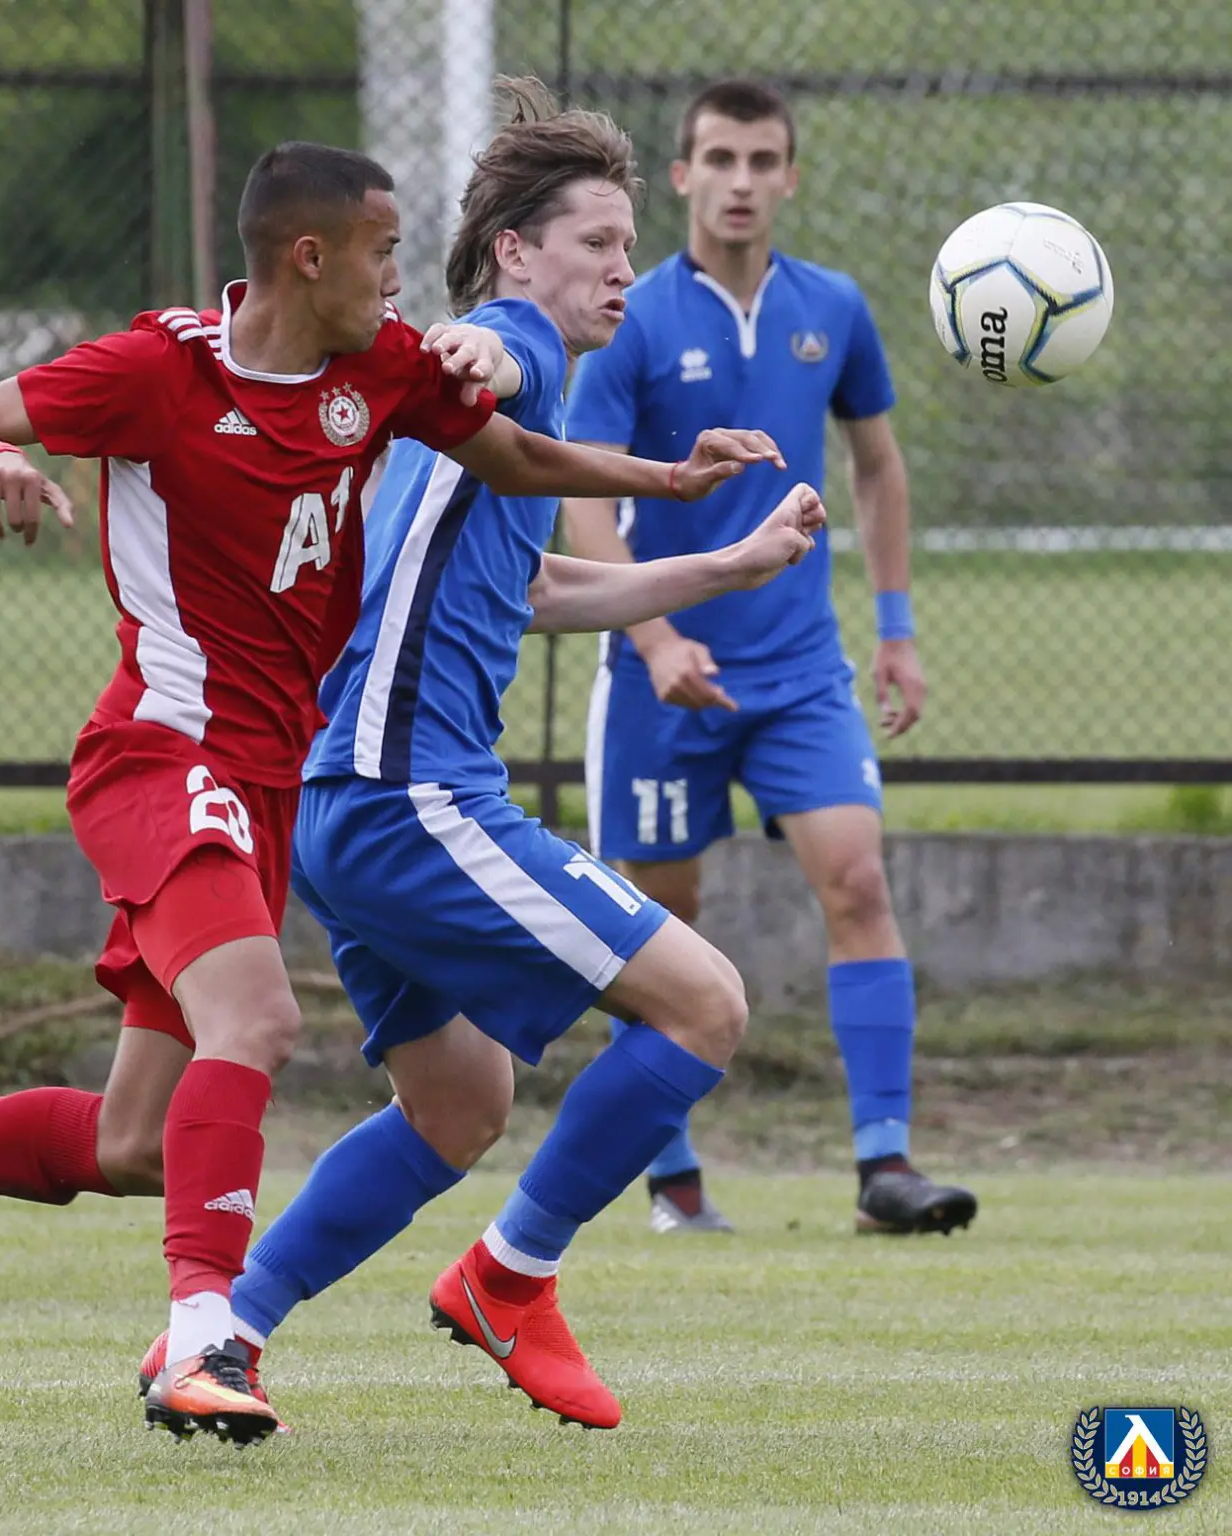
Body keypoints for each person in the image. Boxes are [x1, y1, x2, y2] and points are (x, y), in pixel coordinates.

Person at [0, 135, 769, 1446]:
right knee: (272, 1018)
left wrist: (672, 489)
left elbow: (512, 469)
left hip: (285, 785)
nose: (403, 284)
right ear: (311, 256)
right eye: (385, 255)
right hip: (183, 755)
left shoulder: (371, 377)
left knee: (142, 1143)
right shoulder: (164, 368)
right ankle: (225, 1338)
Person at [132, 79, 825, 1434]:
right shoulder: (517, 349)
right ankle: (510, 1279)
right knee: (705, 1006)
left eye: (630, 247)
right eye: (597, 242)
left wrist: (730, 563)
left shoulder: (469, 441)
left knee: (458, 1103)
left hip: (345, 803)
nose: (623, 269)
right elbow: (486, 354)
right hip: (410, 797)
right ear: (515, 251)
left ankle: (218, 1339)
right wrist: (473, 351)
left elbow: (537, 588)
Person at [561, 78, 978, 1238]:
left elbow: (878, 465)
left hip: (800, 670)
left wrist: (896, 630)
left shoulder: (832, 307)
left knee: (858, 882)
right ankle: (674, 1179)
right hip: (663, 678)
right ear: (683, 176)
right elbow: (580, 492)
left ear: (790, 177)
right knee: (659, 926)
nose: (740, 182)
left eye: (761, 161)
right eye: (719, 159)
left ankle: (885, 1166)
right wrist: (653, 637)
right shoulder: (636, 317)